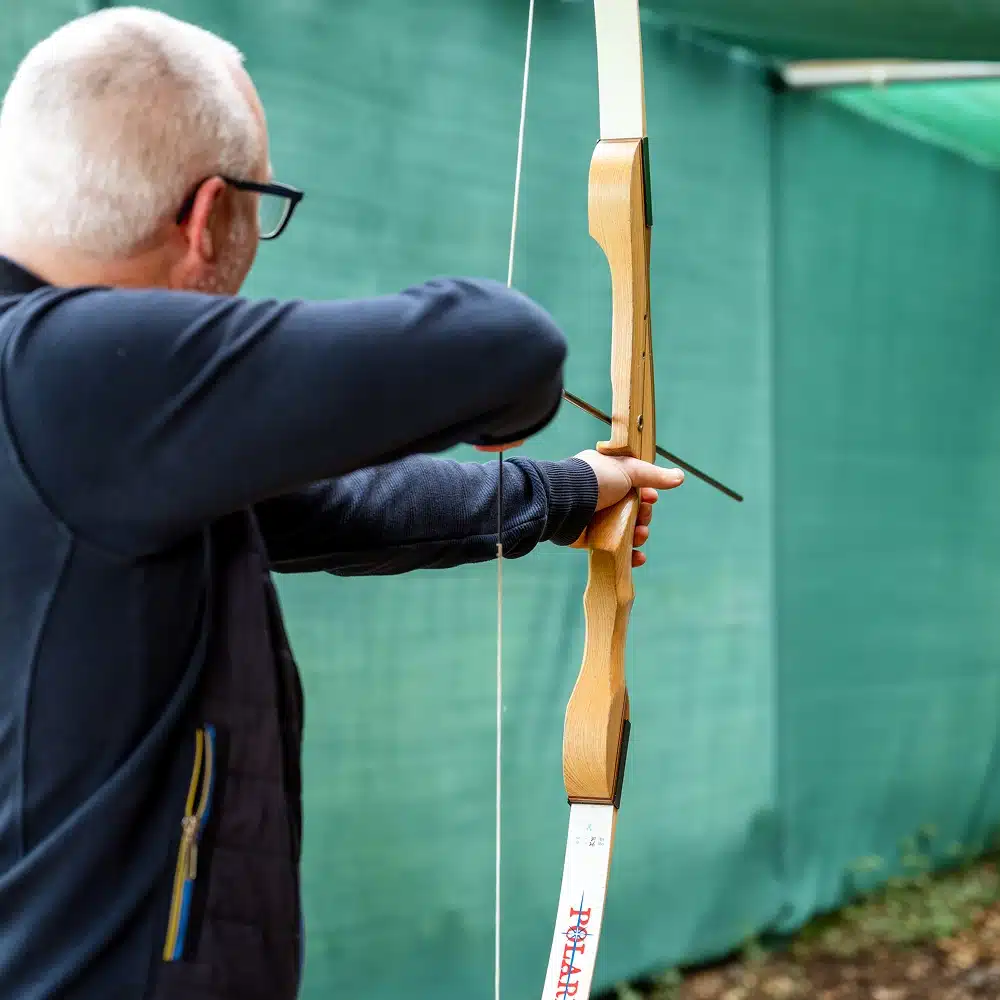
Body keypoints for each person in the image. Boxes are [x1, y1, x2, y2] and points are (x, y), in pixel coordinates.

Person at [0, 7, 683, 1000]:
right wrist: (520, 406)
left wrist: (571, 490)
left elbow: (332, 502)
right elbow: (503, 346)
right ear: (209, 215)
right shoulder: (74, 379)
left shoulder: (80, 417)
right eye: (261, 203)